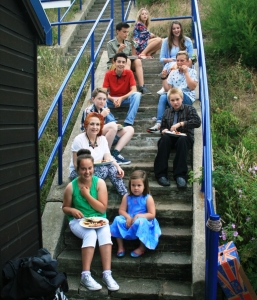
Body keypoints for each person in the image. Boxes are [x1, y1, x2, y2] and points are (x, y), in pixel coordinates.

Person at [63, 149, 119, 291]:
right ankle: (85, 275)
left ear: (94, 168)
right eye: (83, 169)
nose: (87, 172)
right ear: (77, 168)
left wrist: (87, 195)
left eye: (90, 168)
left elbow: (102, 209)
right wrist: (73, 210)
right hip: (78, 222)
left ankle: (107, 274)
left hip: (99, 219)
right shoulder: (71, 187)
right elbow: (65, 208)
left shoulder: (99, 183)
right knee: (90, 234)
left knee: (105, 233)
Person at [69, 112, 127, 196]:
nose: (95, 127)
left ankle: (124, 195)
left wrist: (118, 167)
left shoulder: (103, 139)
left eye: (97, 124)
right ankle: (91, 192)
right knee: (104, 169)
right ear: (86, 125)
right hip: (79, 172)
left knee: (112, 168)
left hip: (96, 168)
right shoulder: (79, 140)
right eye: (92, 124)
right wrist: (88, 170)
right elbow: (75, 164)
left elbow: (108, 158)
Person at [154, 88, 201, 188]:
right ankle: (161, 174)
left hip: (185, 138)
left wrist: (181, 124)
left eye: (177, 99)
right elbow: (163, 126)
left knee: (183, 140)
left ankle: (180, 175)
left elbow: (197, 122)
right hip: (170, 137)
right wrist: (163, 130)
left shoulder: (189, 109)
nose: (175, 102)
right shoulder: (167, 112)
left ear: (182, 98)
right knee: (164, 139)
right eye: (172, 100)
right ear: (169, 101)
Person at [110, 170, 161, 258]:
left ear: (144, 186)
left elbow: (152, 214)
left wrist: (138, 216)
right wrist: (128, 217)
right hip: (129, 219)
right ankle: (120, 246)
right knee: (117, 219)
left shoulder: (148, 198)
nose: (136, 188)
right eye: (133, 185)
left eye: (139, 185)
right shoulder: (127, 196)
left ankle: (142, 247)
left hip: (143, 220)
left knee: (140, 222)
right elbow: (121, 210)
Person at [80, 88, 134, 165]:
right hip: (91, 138)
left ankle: (115, 153)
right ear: (93, 99)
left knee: (130, 129)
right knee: (112, 126)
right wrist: (101, 115)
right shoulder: (89, 110)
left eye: (104, 99)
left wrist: (118, 126)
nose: (102, 101)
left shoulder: (104, 109)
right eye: (99, 99)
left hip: (103, 137)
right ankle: (106, 156)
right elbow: (88, 129)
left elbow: (112, 123)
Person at [148, 51, 198, 132]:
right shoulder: (173, 72)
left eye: (182, 61)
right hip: (174, 95)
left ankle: (173, 121)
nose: (179, 63)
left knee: (175, 96)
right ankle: (159, 123)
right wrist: (164, 77)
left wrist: (186, 73)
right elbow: (168, 90)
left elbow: (192, 87)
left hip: (186, 96)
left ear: (188, 61)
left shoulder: (192, 72)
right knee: (163, 96)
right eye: (178, 60)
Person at [107, 22, 151, 95]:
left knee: (137, 61)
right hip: (115, 65)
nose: (126, 34)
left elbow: (132, 56)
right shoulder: (110, 44)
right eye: (124, 32)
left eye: (127, 32)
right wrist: (118, 51)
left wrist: (135, 51)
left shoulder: (128, 43)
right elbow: (112, 61)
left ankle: (142, 86)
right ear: (117, 31)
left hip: (128, 65)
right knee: (127, 60)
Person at [103, 52, 141, 127]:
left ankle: (128, 121)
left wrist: (121, 98)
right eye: (119, 61)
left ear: (126, 63)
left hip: (125, 99)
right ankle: (112, 121)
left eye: (123, 62)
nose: (121, 64)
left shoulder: (129, 73)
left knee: (137, 95)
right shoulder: (108, 74)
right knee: (101, 98)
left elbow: (134, 90)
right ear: (114, 62)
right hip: (112, 100)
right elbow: (103, 91)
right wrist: (112, 99)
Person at [157, 20, 194, 95]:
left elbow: (192, 57)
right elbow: (161, 58)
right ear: (171, 30)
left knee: (186, 62)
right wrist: (168, 59)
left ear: (181, 29)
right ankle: (168, 87)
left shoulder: (187, 40)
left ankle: (167, 87)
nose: (176, 30)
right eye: (174, 29)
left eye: (178, 28)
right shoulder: (166, 41)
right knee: (174, 64)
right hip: (171, 63)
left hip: (184, 63)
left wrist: (184, 61)